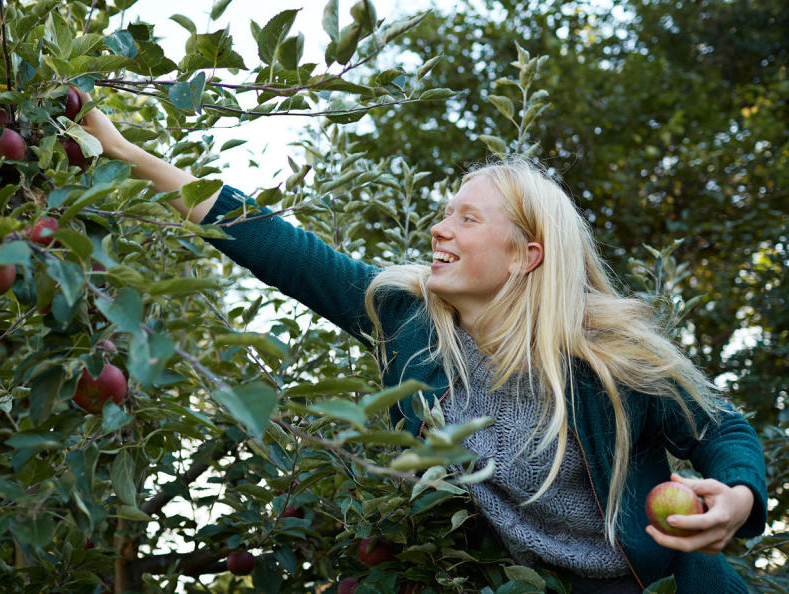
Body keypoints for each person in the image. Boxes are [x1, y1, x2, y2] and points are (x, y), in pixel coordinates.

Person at [80, 98, 766, 593]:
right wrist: (128, 155)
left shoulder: (605, 355)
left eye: (466, 218)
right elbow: (269, 240)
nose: (441, 230)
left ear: (526, 255)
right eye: (444, 212)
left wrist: (737, 496)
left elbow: (720, 427)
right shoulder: (408, 323)